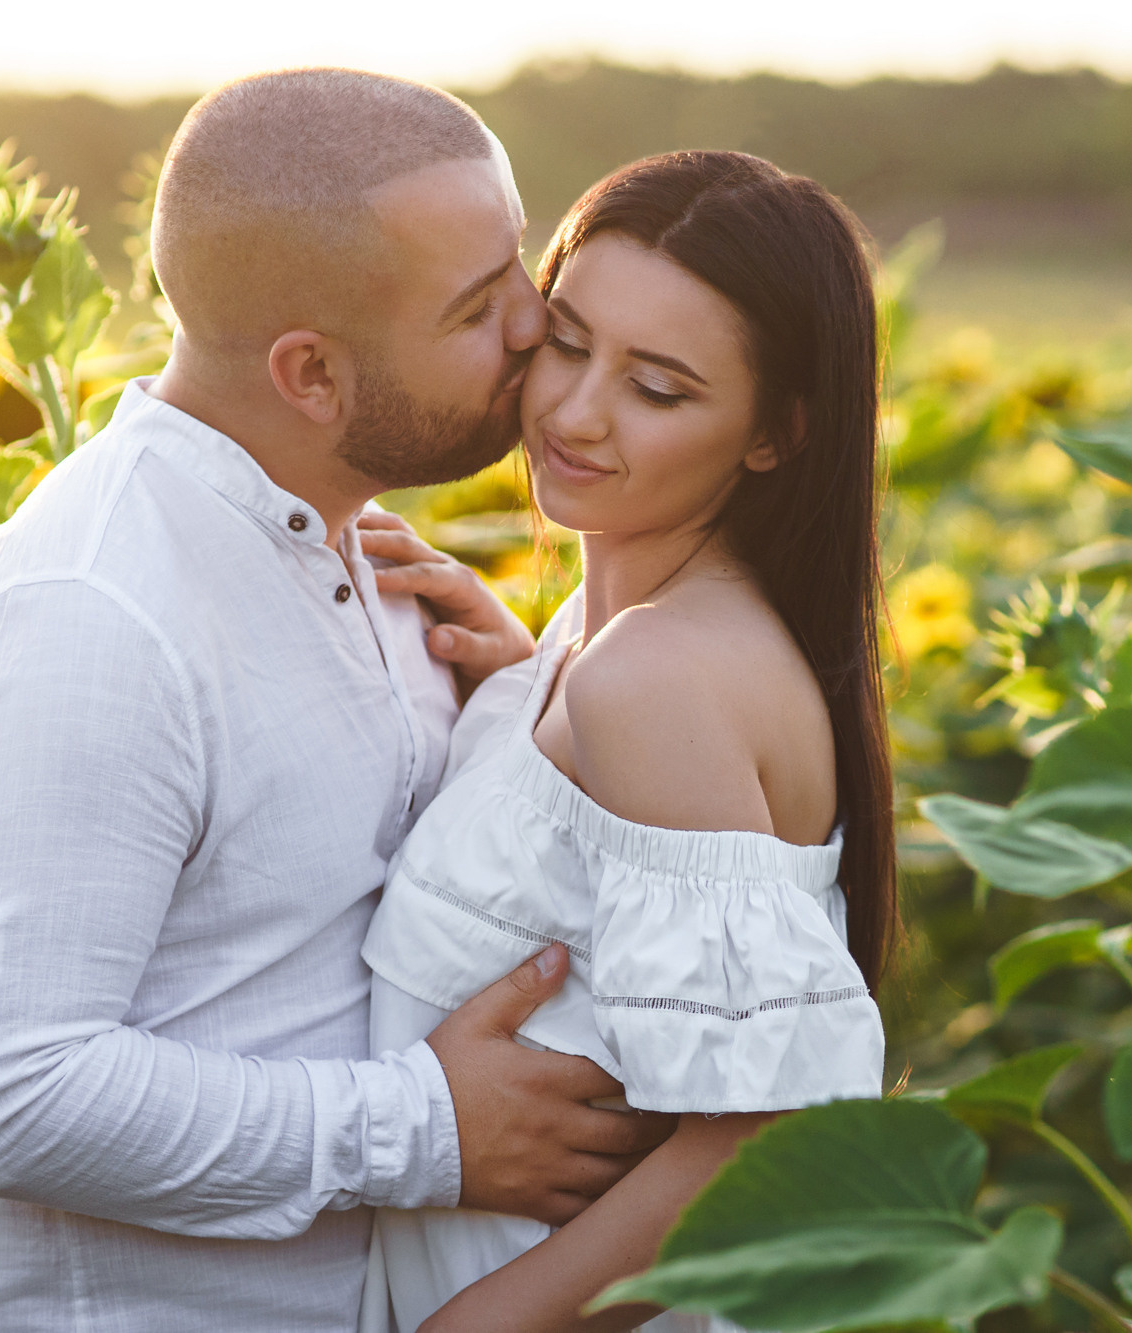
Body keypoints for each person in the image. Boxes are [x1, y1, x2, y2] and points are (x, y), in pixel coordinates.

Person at [0, 70, 674, 1332]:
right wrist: (424, 1128)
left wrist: (516, 707)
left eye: (519, 265)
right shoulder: (95, 613)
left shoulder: (345, 544)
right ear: (310, 372)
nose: (537, 324)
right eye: (478, 307)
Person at [359, 151, 896, 1332]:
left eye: (656, 389)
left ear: (773, 434)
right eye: (562, 339)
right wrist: (520, 689)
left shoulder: (652, 676)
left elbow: (765, 1131)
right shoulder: (617, 646)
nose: (573, 410)